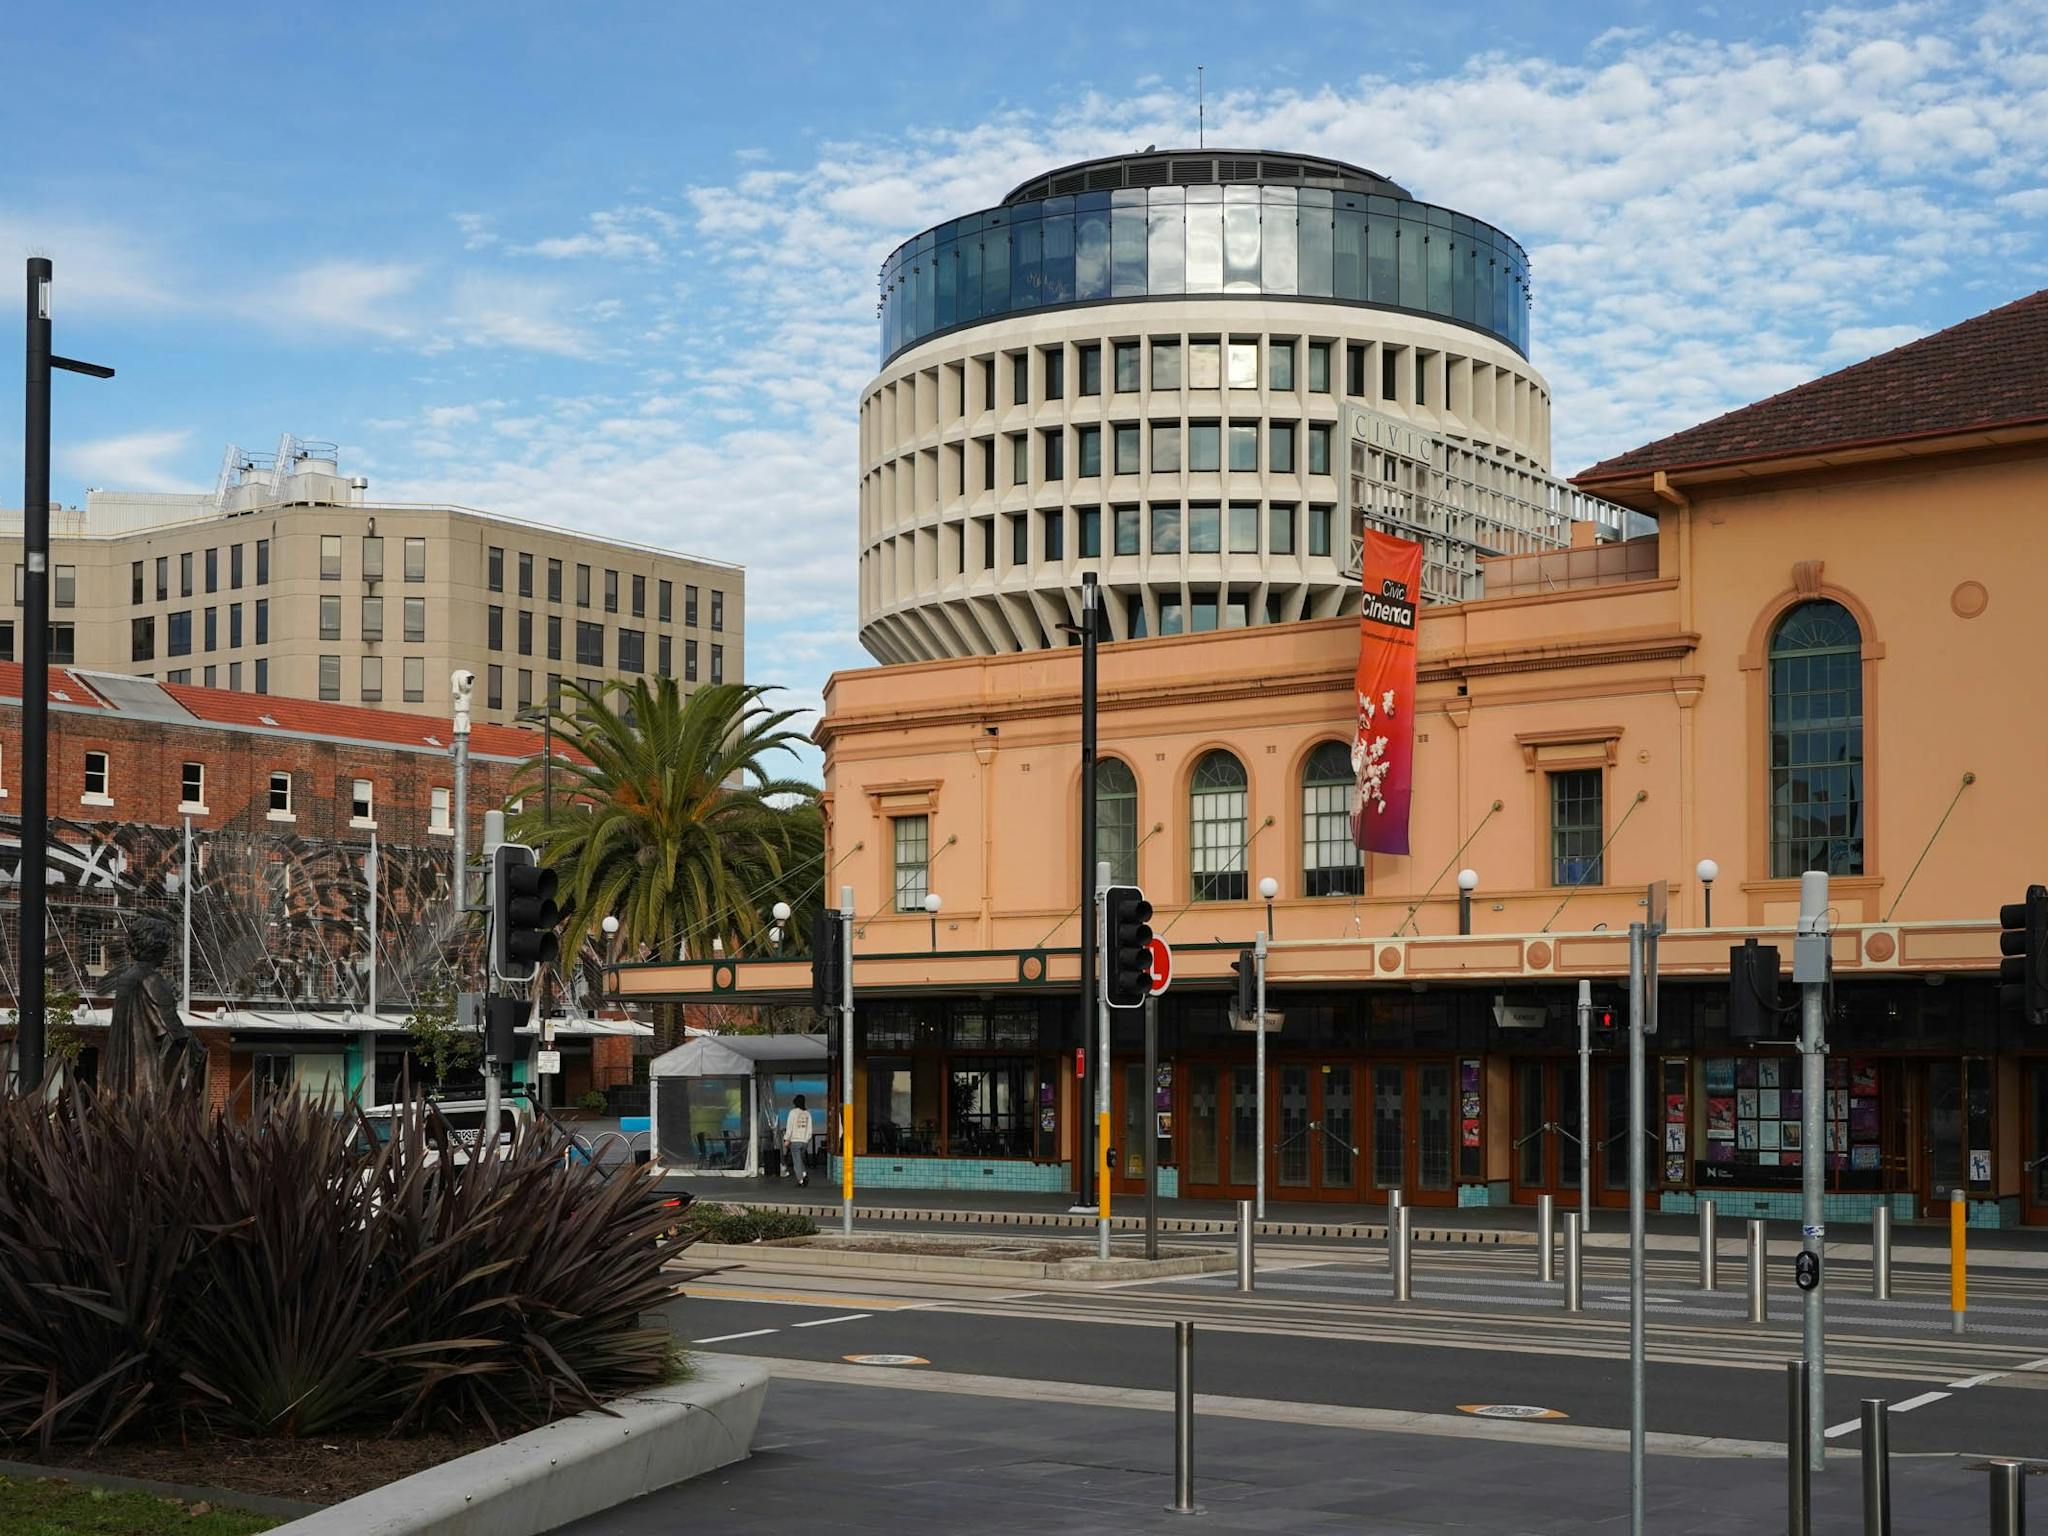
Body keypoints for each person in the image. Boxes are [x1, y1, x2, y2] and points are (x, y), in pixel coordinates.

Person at [783, 1094, 813, 1187]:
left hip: (795, 1141)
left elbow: (789, 1127)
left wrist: (787, 1138)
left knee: (797, 1161)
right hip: (804, 1142)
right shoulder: (807, 1113)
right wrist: (807, 1139)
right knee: (800, 1160)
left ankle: (801, 1180)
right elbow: (810, 1129)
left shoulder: (793, 1112)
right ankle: (804, 1175)